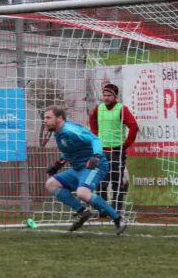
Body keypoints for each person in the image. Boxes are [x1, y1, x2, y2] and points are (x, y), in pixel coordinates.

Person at [44, 106, 127, 235]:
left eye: (48, 117)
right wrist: (59, 163)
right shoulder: (59, 133)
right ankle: (83, 212)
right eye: (44, 118)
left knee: (82, 192)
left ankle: (118, 219)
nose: (45, 120)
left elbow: (95, 139)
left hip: (94, 165)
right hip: (78, 168)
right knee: (51, 184)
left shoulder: (71, 130)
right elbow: (71, 150)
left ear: (59, 118)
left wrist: (97, 155)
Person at [89, 83, 139, 215]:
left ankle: (116, 210)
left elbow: (134, 127)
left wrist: (125, 145)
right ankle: (103, 210)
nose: (105, 98)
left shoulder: (121, 109)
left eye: (109, 95)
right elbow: (92, 122)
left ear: (115, 96)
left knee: (117, 182)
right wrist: (95, 138)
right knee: (100, 182)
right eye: (104, 95)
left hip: (117, 151)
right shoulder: (98, 109)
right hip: (101, 152)